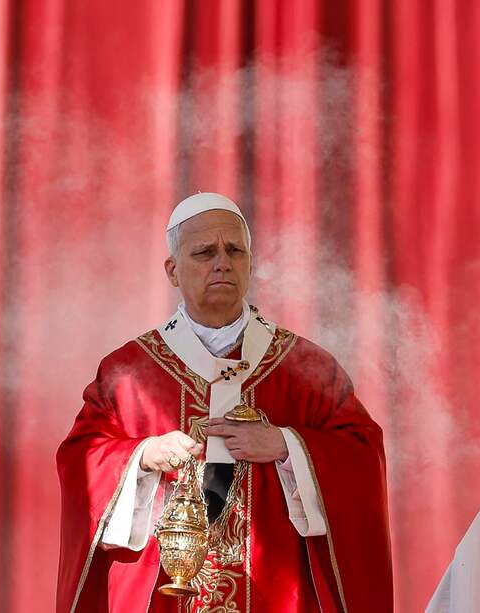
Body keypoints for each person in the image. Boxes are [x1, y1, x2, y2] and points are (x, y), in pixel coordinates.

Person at [56, 193, 392, 612]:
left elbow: (362, 453)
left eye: (235, 250)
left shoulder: (306, 368)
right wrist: (142, 455)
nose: (222, 262)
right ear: (172, 270)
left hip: (275, 593)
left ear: (250, 263)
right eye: (204, 252)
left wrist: (287, 445)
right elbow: (79, 458)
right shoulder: (127, 371)